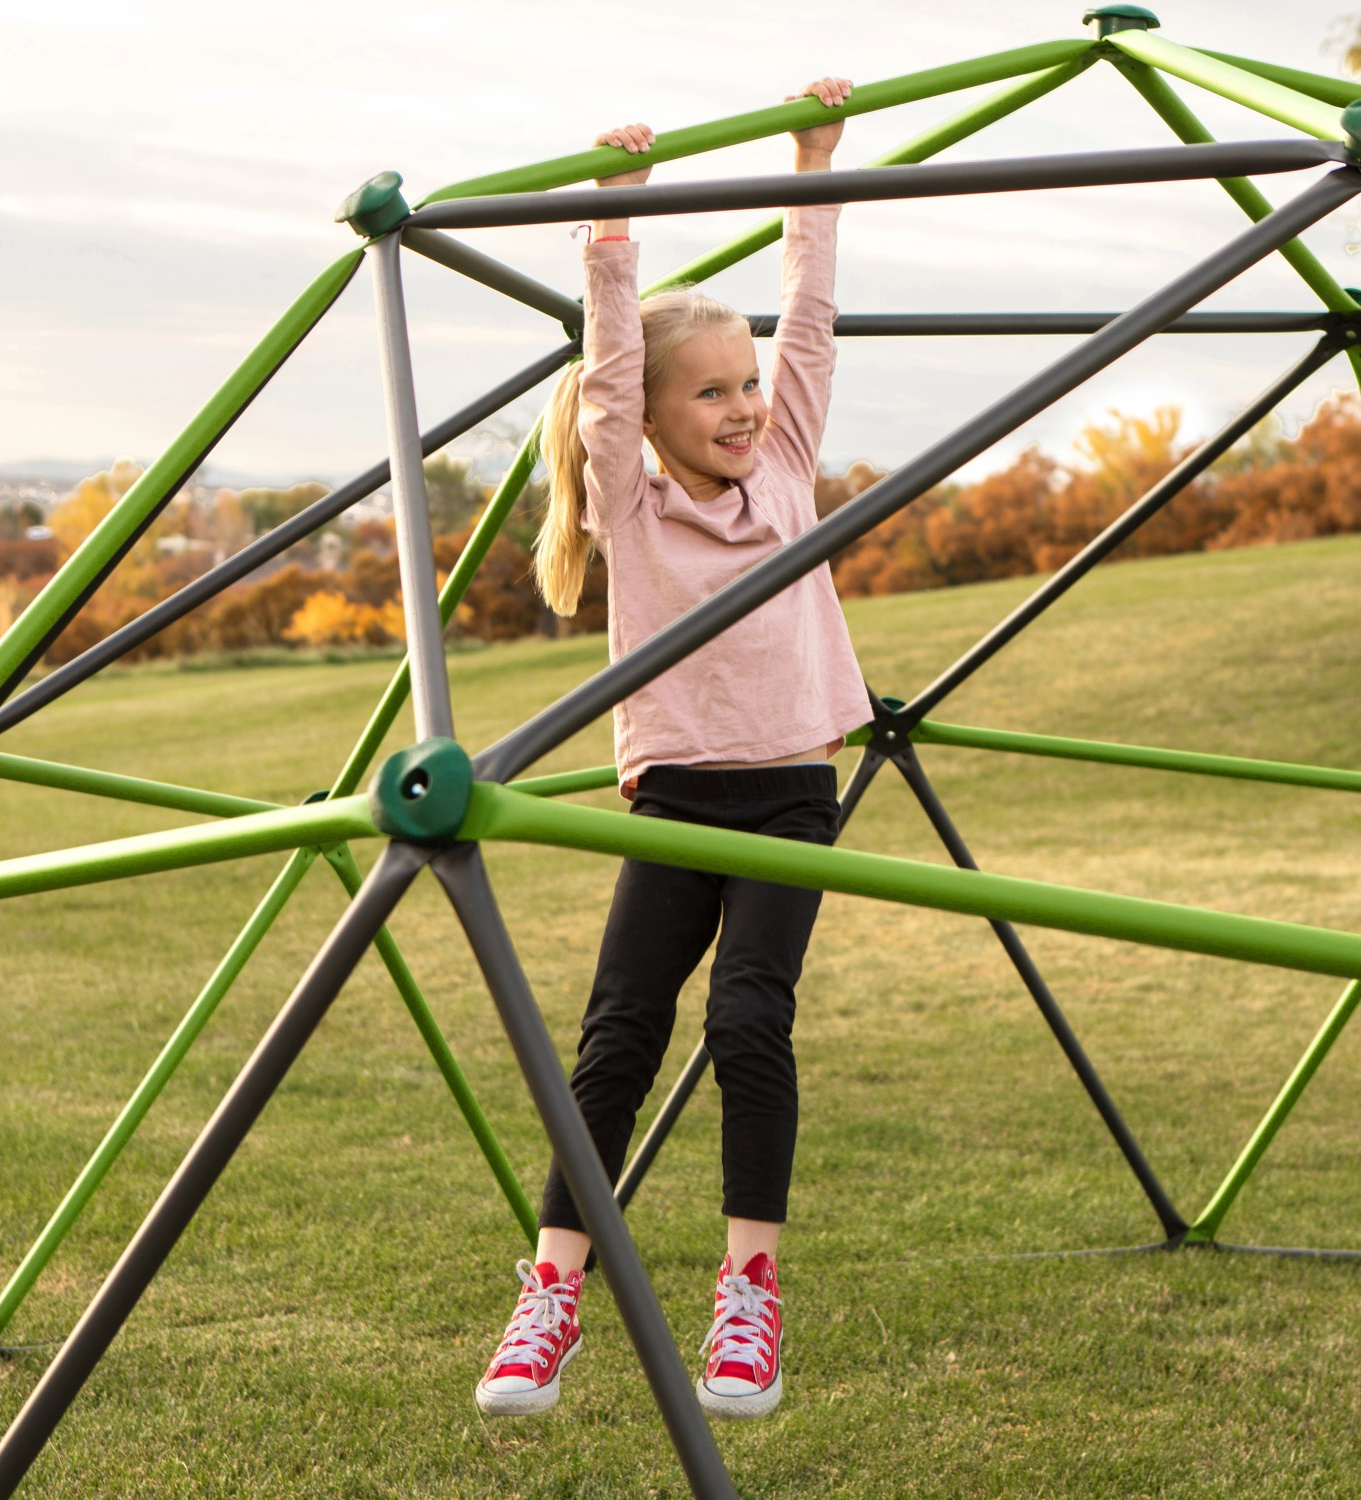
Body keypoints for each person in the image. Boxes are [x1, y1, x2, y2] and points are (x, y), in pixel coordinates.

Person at [476, 77, 871, 1422]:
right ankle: (551, 1295)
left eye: (748, 385)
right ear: (652, 414)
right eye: (711, 392)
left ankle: (748, 1298)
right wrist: (615, 232)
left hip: (791, 791)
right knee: (615, 1043)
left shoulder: (790, 464)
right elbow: (605, 385)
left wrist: (811, 165)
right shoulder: (632, 511)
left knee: (750, 1020)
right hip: (673, 795)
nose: (745, 406)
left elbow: (809, 314)